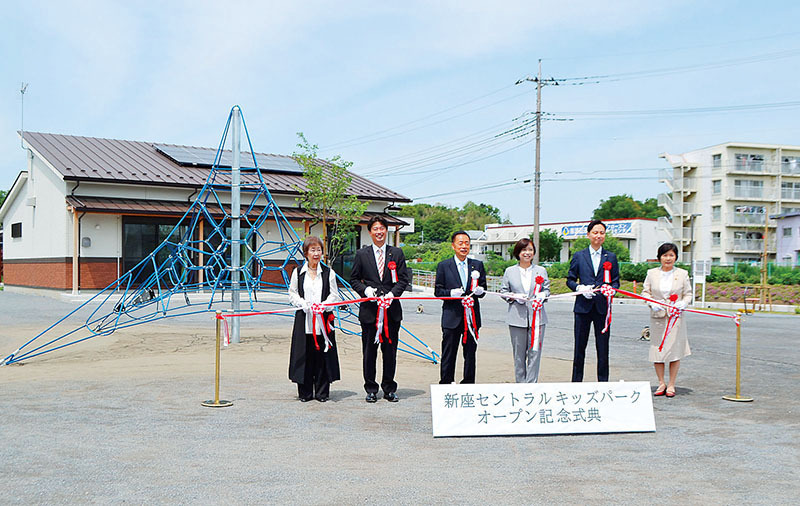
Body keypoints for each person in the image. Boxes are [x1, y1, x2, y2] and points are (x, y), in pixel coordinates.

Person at [350, 216, 410, 403]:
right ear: (370, 232)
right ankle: (370, 388)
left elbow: (403, 279)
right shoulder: (362, 254)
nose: (379, 232)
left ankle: (389, 388)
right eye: (375, 229)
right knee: (369, 352)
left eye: (382, 228)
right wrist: (366, 290)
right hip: (370, 312)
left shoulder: (397, 253)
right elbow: (353, 279)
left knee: (390, 351)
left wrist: (393, 295)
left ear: (387, 230)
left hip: (391, 312)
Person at [287, 236, 341, 402]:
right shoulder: (297, 272)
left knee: (322, 356)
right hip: (304, 320)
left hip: (323, 321)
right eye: (313, 250)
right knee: (304, 355)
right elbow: (292, 293)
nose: (316, 253)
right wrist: (303, 303)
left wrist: (324, 305)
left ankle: (322, 392)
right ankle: (305, 392)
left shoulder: (329, 273)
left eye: (318, 250)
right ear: (306, 253)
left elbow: (334, 295)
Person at [566, 220, 620, 382]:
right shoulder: (579, 256)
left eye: (601, 233)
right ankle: (576, 383)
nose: (598, 235)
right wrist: (579, 288)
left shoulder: (610, 256)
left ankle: (603, 383)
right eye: (595, 232)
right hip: (583, 307)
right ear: (588, 235)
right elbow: (570, 280)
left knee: (603, 349)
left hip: (602, 308)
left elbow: (616, 281)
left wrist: (611, 290)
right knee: (579, 348)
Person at [434, 231, 487, 384]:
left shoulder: (477, 265)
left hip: (472, 318)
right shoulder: (444, 266)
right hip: (452, 317)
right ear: (453, 246)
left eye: (467, 243)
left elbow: (483, 289)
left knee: (470, 353)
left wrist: (480, 291)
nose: (464, 246)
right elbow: (438, 291)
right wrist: (451, 293)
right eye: (460, 243)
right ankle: (446, 383)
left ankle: (468, 383)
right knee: (448, 353)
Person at [641, 242, 692, 398]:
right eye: (665, 255)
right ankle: (661, 382)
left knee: (674, 350)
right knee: (658, 350)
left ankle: (671, 384)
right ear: (659, 258)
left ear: (676, 257)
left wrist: (682, 303)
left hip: (675, 318)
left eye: (671, 255)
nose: (668, 258)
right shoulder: (652, 273)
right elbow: (645, 292)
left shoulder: (682, 274)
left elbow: (688, 294)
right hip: (658, 317)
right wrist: (651, 303)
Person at [500, 238, 550, 383]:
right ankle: (520, 385)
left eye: (530, 250)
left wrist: (542, 295)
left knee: (535, 352)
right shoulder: (510, 271)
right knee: (519, 355)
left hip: (538, 318)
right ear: (518, 252)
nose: (527, 253)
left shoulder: (541, 271)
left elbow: (547, 290)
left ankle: (531, 384)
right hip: (517, 318)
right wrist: (514, 297)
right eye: (524, 250)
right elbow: (503, 291)